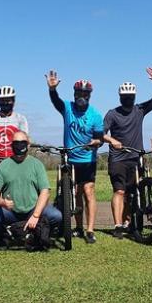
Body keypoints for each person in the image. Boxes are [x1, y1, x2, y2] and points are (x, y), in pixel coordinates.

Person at [102, 67, 152, 239]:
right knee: (120, 192)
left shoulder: (139, 110)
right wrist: (112, 140)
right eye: (125, 97)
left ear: (134, 97)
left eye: (131, 97)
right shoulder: (112, 114)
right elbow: (100, 133)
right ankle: (118, 226)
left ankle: (129, 223)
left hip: (135, 157)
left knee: (131, 193)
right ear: (120, 97)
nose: (128, 100)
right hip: (118, 159)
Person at [46, 70, 104, 244]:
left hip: (87, 160)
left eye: (85, 93)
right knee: (75, 193)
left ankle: (90, 230)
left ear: (90, 95)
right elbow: (56, 102)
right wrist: (52, 89)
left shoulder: (95, 115)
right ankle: (78, 227)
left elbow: (100, 138)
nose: (82, 96)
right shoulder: (68, 108)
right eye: (79, 93)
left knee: (88, 191)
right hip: (70, 158)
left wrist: (96, 142)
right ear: (74, 93)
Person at [0, 131, 62, 240]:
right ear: (11, 145)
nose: (19, 145)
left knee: (56, 216)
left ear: (28, 144)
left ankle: (38, 233)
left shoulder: (36, 164)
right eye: (16, 142)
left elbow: (45, 191)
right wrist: (2, 202)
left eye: (22, 142)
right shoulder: (3, 166)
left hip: (33, 209)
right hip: (10, 211)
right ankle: (6, 236)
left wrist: (36, 215)